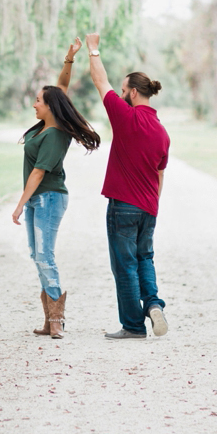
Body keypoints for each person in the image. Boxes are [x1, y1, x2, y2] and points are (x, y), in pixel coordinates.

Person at [12, 39, 102, 338]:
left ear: (49, 107)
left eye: (38, 100)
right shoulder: (46, 124)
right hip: (40, 199)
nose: (35, 103)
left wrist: (20, 203)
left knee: (44, 256)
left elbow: (38, 173)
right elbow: (60, 90)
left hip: (48, 198)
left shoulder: (54, 134)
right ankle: (49, 318)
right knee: (37, 255)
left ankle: (57, 320)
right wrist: (69, 58)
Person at [84, 37, 171, 340]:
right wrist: (153, 205)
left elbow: (99, 79)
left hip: (122, 206)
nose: (119, 95)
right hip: (149, 208)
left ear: (134, 92)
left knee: (125, 266)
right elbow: (160, 175)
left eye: (123, 91)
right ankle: (154, 305)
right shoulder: (162, 132)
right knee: (144, 258)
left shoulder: (125, 117)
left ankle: (134, 326)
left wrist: (93, 49)